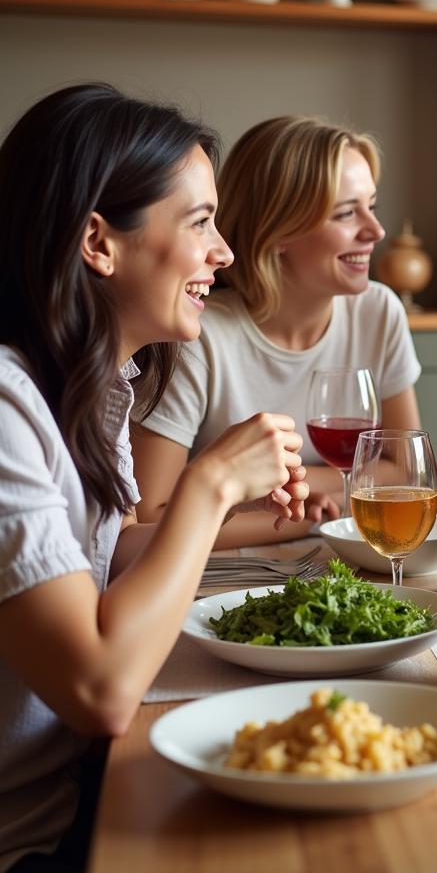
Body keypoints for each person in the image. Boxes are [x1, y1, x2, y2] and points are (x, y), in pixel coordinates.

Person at [0, 84, 308, 870]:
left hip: (76, 792)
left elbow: (100, 564)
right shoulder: (5, 407)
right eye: (201, 222)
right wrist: (205, 488)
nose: (225, 253)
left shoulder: (95, 387)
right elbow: (100, 692)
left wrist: (250, 509)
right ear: (99, 243)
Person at [131, 115, 422, 547]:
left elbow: (405, 469)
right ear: (279, 229)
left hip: (330, 554)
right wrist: (305, 516)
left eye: (372, 206)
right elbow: (149, 514)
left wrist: (288, 486)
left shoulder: (379, 310)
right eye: (346, 213)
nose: (375, 231)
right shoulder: (195, 336)